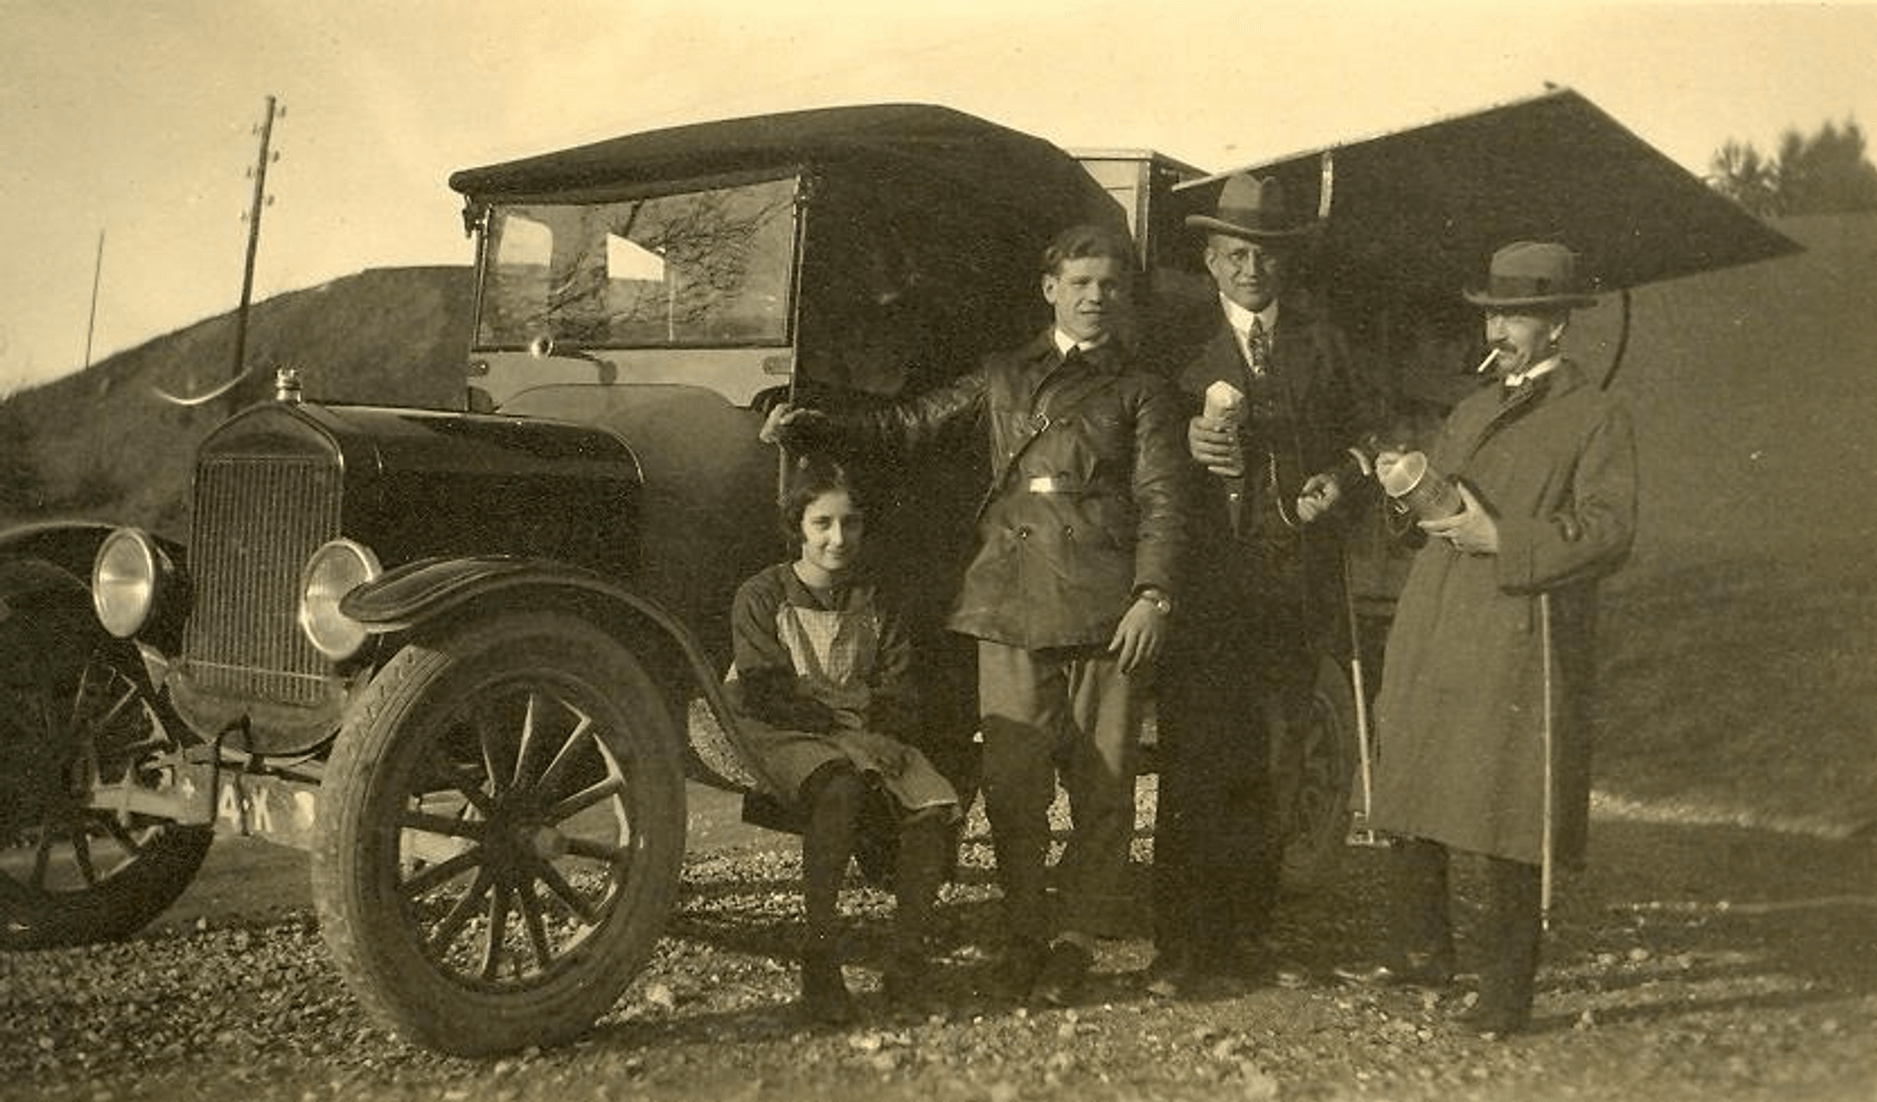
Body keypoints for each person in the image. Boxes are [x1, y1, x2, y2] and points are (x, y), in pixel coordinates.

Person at [761, 222, 1187, 1007]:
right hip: (1010, 603)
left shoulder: (1143, 390)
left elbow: (1163, 499)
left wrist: (1152, 595)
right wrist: (811, 419)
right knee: (1014, 786)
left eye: (1109, 286)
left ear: (1122, 296)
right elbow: (906, 426)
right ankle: (1026, 933)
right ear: (1049, 288)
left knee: (1102, 788)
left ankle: (1074, 941)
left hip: (1107, 610)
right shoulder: (999, 377)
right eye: (1080, 283)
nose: (1095, 298)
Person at [1337, 241, 1637, 1038]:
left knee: (1511, 803)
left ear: (1557, 326)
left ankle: (1506, 992)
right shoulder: (1468, 410)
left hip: (1516, 627)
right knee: (1414, 778)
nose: (1499, 328)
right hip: (1436, 620)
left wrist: (1504, 538)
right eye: (1494, 313)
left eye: (1517, 315)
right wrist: (1402, 487)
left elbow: (1608, 530)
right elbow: (1429, 519)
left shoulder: (1594, 414)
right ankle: (1420, 952)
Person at [1145, 174, 1383, 996]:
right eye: (1235, 254)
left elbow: (1365, 442)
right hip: (1206, 592)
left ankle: (1246, 940)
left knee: (1274, 763)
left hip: (1292, 590)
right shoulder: (1172, 343)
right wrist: (1180, 434)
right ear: (1209, 260)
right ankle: (1178, 949)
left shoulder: (1322, 345)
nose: (1251, 270)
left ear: (1284, 264)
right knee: (1193, 762)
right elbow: (1129, 433)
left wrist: (1337, 482)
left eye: (1265, 256)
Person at [727, 454, 961, 1023]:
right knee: (840, 792)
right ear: (797, 528)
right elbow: (763, 691)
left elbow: (897, 682)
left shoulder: (878, 599)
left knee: (933, 806)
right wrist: (843, 739)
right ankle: (820, 956)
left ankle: (907, 958)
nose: (838, 538)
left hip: (862, 728)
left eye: (851, 523)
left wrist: (884, 736)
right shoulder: (762, 596)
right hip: (784, 726)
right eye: (822, 524)